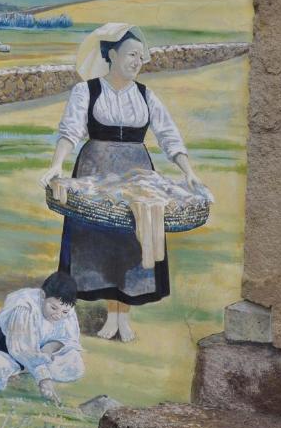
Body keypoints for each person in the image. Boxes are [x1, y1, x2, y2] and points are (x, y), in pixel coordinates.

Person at [39, 23, 202, 343]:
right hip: (95, 172)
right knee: (97, 242)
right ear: (111, 54)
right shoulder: (86, 91)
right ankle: (103, 314)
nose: (137, 61)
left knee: (132, 242)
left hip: (137, 174)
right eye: (131, 54)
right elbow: (70, 131)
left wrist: (188, 170)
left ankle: (121, 317)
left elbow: (168, 135)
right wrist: (57, 164)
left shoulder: (146, 95)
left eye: (141, 56)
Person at [0, 272, 83, 408]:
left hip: (33, 346)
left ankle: (17, 371)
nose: (58, 315)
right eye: (53, 308)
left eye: (64, 312)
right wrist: (44, 379)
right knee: (13, 359)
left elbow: (69, 339)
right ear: (43, 296)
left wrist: (50, 347)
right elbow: (22, 348)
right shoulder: (25, 306)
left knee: (72, 361)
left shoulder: (66, 308)